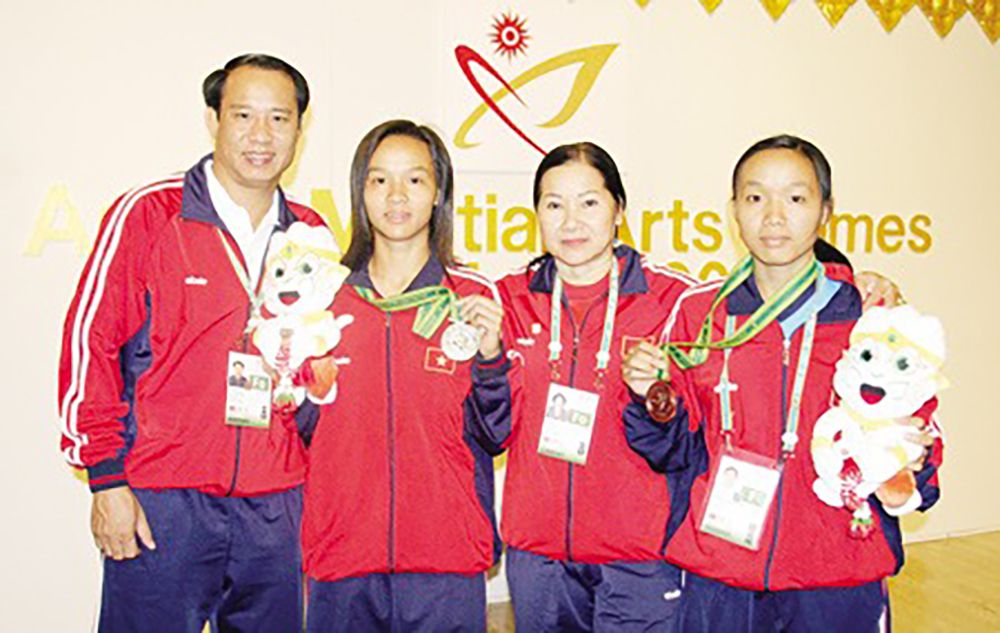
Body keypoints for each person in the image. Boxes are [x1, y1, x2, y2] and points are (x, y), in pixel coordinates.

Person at [622, 134, 943, 632]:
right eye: (755, 197)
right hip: (721, 569)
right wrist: (651, 399)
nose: (774, 216)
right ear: (734, 209)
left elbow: (921, 433)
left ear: (825, 210)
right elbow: (672, 449)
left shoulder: (869, 315)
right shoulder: (700, 315)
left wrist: (910, 465)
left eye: (795, 198)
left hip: (838, 571)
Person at [57, 54, 324, 632]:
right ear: (213, 120)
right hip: (163, 498)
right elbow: (92, 343)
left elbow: (319, 367)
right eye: (243, 115)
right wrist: (106, 479)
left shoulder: (311, 235)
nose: (261, 135)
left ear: (299, 130)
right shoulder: (150, 214)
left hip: (276, 504)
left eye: (279, 118)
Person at [298, 119, 510, 632]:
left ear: (438, 192)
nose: (397, 195)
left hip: (445, 560)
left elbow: (496, 433)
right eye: (379, 180)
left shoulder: (471, 299)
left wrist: (490, 360)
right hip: (342, 558)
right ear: (360, 191)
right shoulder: (321, 299)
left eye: (414, 179)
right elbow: (300, 429)